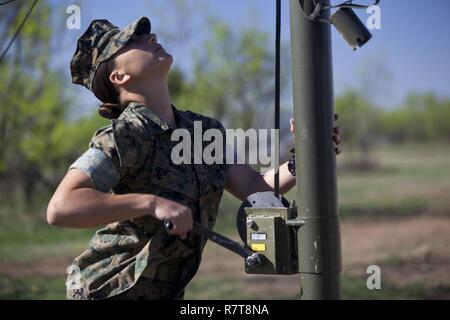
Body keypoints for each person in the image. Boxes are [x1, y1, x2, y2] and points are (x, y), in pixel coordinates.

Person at [47, 16, 341, 300]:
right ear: (119, 76)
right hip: (107, 290)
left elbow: (255, 187)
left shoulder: (201, 132)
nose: (150, 39)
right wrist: (152, 204)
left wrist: (306, 157)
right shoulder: (125, 135)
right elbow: (61, 207)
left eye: (148, 35)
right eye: (132, 42)